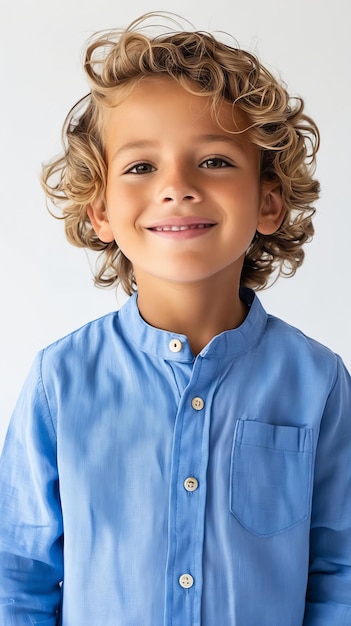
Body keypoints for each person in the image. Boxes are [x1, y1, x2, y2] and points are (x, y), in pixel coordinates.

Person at [0, 11, 350, 626]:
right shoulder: (60, 381)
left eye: (214, 160)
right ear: (101, 211)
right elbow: (19, 575)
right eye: (141, 166)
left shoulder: (318, 382)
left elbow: (339, 574)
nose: (178, 186)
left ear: (268, 200)